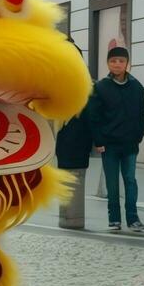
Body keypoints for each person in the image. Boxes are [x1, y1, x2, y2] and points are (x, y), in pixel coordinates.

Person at [87, 46, 144, 232]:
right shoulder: (100, 87)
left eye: (121, 61)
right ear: (108, 63)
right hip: (109, 145)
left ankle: (133, 219)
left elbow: (142, 114)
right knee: (112, 183)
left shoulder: (136, 86)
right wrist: (99, 141)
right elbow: (94, 116)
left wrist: (138, 135)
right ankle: (114, 219)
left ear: (127, 63)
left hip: (130, 144)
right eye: (113, 61)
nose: (117, 64)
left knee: (130, 180)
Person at [55, 40, 94, 230]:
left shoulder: (87, 84)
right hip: (63, 141)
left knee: (74, 176)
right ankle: (67, 219)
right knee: (65, 178)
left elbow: (92, 115)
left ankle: (73, 220)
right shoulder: (56, 82)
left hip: (79, 140)